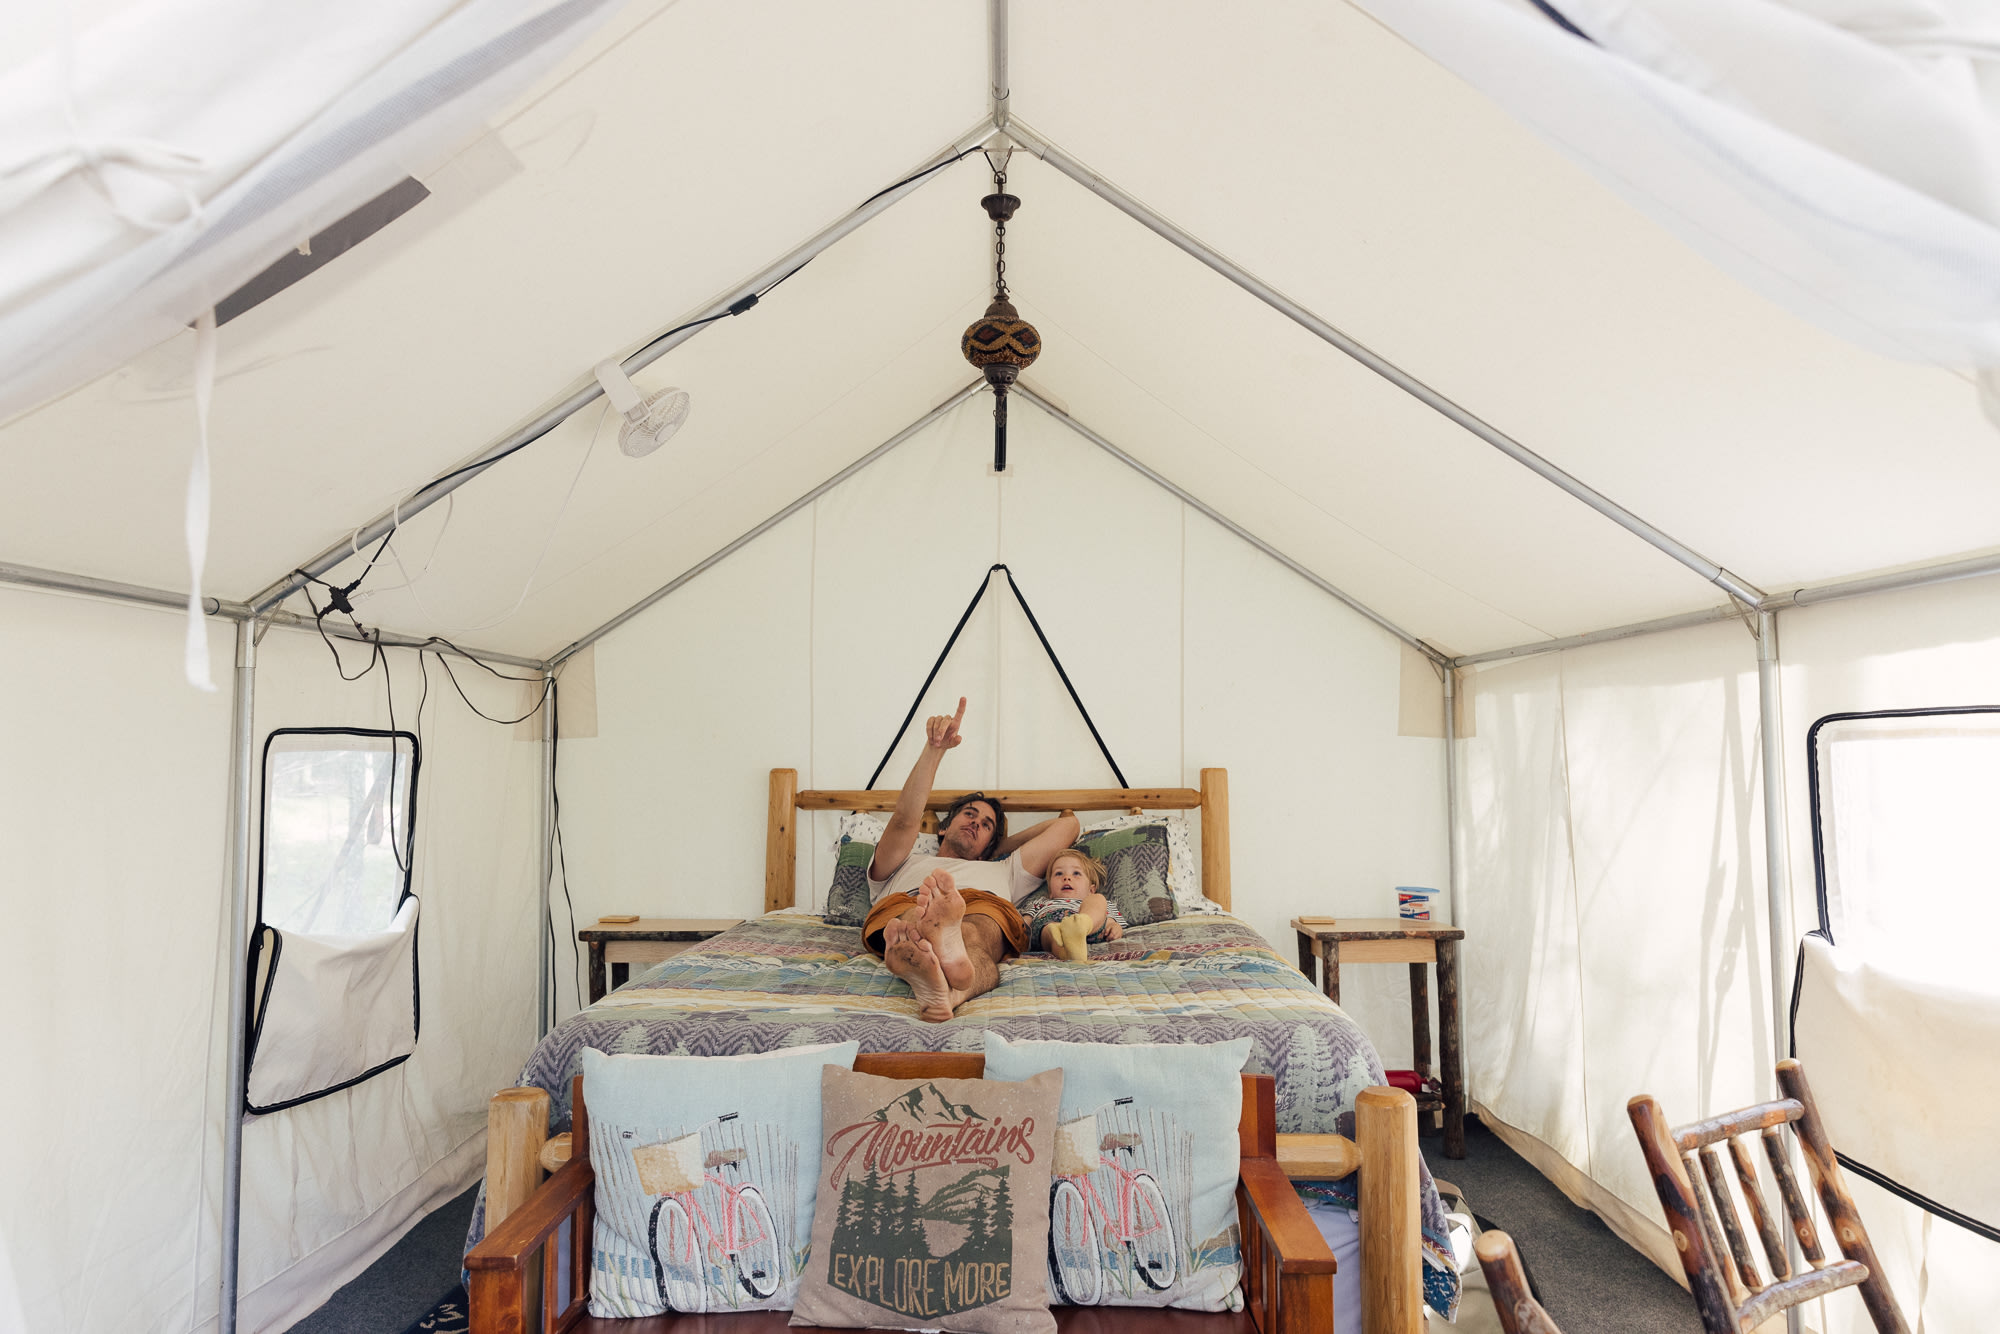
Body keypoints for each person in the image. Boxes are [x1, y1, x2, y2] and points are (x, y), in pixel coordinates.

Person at [862, 697, 1080, 1020]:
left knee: (977, 932)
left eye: (986, 825)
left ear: (992, 844)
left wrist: (1001, 847)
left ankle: (935, 968)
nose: (976, 822)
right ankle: (948, 980)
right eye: (969, 814)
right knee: (918, 914)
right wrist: (934, 750)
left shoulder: (1004, 870)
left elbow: (1069, 825)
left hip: (981, 903)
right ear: (942, 829)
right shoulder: (903, 861)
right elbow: (905, 820)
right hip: (911, 897)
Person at [1019, 848, 1124, 961]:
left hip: (1088, 928)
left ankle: (1082, 924)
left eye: (1076, 873)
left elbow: (1110, 921)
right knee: (1049, 931)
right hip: (1051, 921)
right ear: (1050, 891)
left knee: (1099, 899)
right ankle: (1068, 952)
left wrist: (1114, 927)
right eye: (1059, 873)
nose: (1067, 878)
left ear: (1091, 889)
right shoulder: (1041, 902)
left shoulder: (1094, 899)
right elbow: (1024, 924)